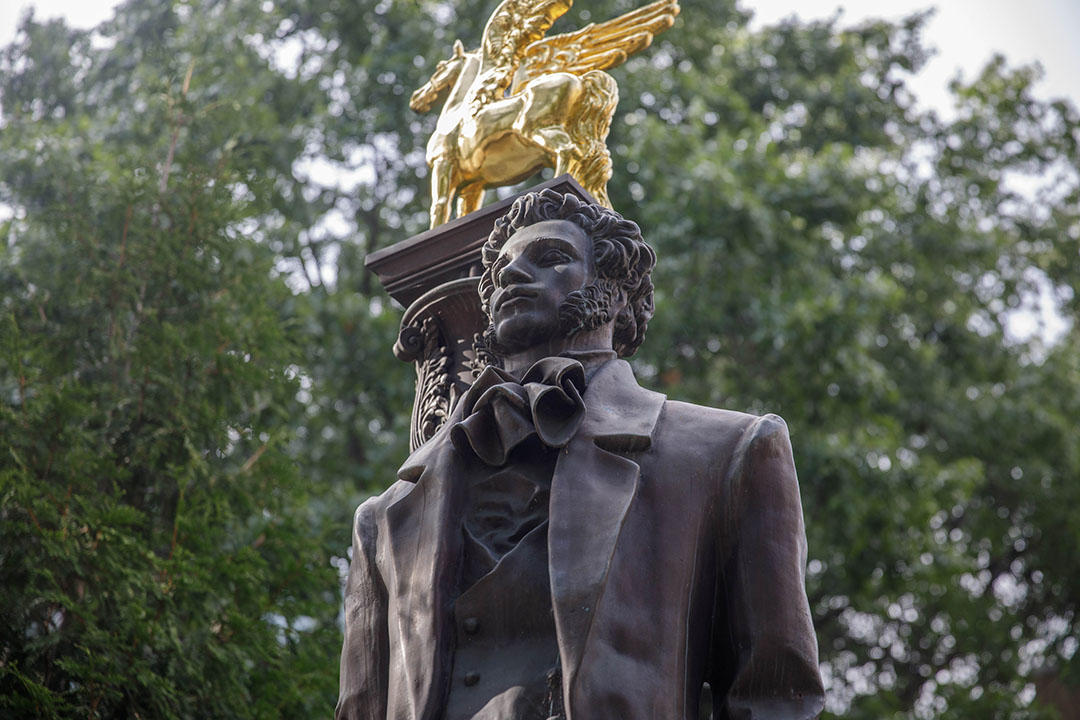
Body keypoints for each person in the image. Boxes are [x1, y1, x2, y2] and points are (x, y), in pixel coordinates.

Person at [336, 189, 825, 720]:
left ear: (616, 295)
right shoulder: (383, 519)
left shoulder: (728, 453)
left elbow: (775, 698)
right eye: (501, 268)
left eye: (550, 257)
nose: (512, 274)